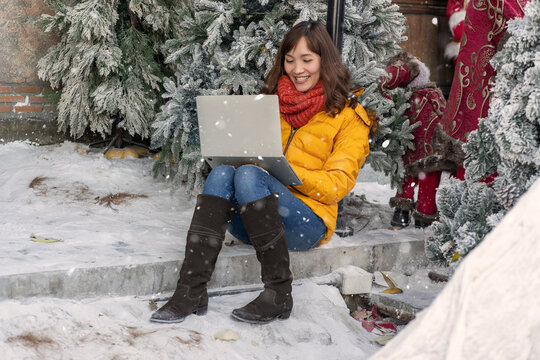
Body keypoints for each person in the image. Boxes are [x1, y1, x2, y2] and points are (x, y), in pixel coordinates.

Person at [150, 20, 373, 325]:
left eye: (307, 60)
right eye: (290, 60)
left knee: (249, 176)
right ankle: (190, 290)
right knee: (224, 172)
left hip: (308, 222)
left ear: (326, 62)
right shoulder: (270, 104)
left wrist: (284, 173)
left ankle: (278, 293)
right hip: (255, 221)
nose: (298, 69)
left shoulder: (349, 116)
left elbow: (336, 186)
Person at [379, 52, 449, 228]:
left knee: (407, 177)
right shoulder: (432, 93)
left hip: (410, 145)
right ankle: (424, 216)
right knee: (429, 179)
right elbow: (444, 113)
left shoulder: (405, 99)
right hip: (431, 146)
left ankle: (400, 214)